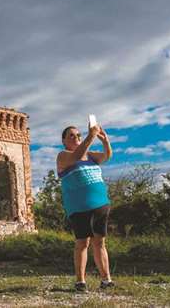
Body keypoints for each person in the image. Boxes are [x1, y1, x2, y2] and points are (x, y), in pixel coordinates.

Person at [56, 124, 114, 292]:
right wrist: (91, 135)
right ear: (64, 141)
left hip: (100, 205)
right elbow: (76, 156)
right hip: (79, 206)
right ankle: (80, 281)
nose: (76, 138)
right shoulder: (63, 156)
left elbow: (107, 156)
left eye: (78, 135)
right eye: (71, 136)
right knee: (83, 242)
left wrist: (105, 140)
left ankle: (106, 280)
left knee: (100, 242)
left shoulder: (89, 155)